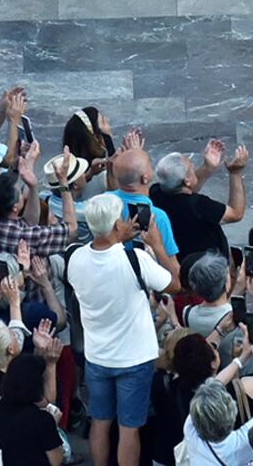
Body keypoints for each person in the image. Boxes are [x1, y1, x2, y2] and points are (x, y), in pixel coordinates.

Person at [67, 193, 179, 466]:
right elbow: (174, 284)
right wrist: (158, 246)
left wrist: (119, 239)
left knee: (101, 423)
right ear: (118, 224)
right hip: (135, 359)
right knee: (129, 429)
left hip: (97, 356)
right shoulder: (136, 259)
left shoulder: (75, 258)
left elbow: (103, 257)